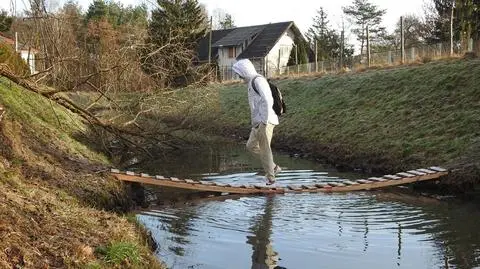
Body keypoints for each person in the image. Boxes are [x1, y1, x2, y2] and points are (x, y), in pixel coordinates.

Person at [232, 59, 281, 185]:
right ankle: (273, 167)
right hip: (258, 123)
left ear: (245, 71)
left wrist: (264, 121)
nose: (239, 76)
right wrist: (256, 123)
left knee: (265, 150)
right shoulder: (251, 83)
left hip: (266, 121)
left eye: (240, 74)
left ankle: (271, 178)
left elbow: (267, 100)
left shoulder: (258, 80)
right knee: (251, 146)